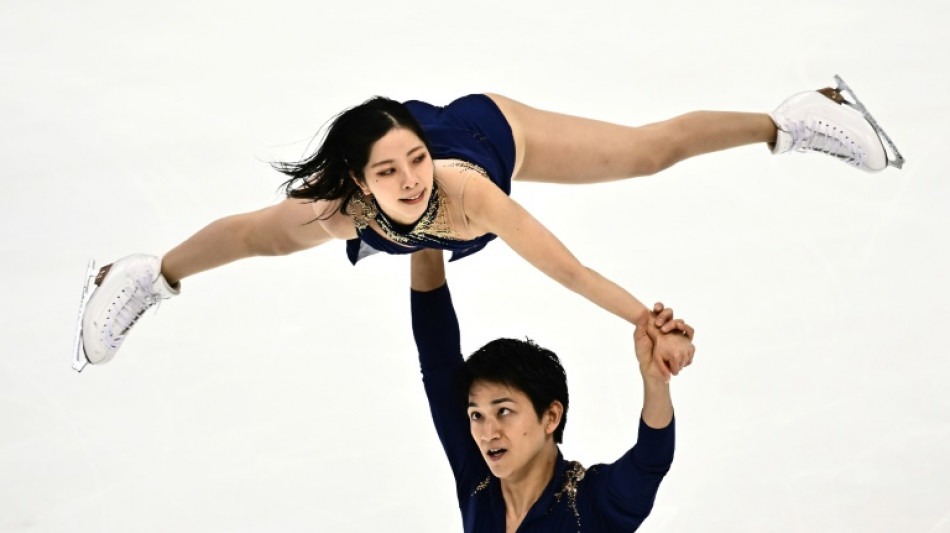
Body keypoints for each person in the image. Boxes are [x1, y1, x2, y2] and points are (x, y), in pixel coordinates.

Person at [75, 78, 895, 376]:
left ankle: (795, 117)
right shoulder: (345, 208)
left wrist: (642, 317)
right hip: (399, 212)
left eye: (412, 160)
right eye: (386, 172)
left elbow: (566, 270)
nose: (406, 181)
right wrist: (171, 268)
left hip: (494, 126)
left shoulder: (469, 192)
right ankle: (141, 276)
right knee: (266, 237)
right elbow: (252, 233)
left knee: (649, 152)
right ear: (361, 183)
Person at [409, 248, 692, 532]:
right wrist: (424, 232)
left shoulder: (592, 502)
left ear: (551, 416)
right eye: (476, 415)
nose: (488, 433)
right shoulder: (478, 480)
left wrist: (656, 380)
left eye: (504, 410)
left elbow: (650, 461)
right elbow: (438, 360)